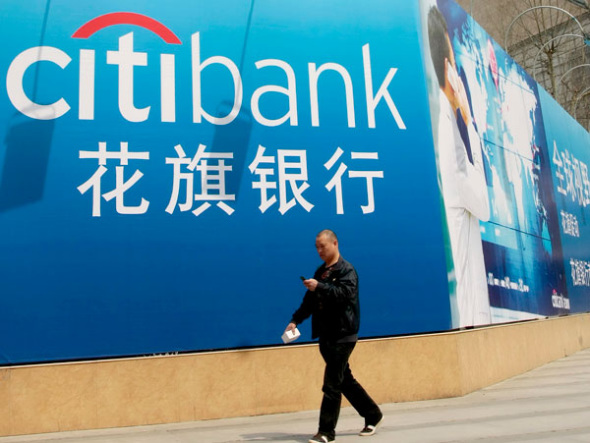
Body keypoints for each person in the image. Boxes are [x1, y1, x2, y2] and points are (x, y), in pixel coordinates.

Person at [285, 229, 382, 443]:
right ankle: (372, 414)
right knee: (344, 380)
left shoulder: (347, 270)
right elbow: (309, 301)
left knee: (331, 384)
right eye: (317, 247)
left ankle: (326, 432)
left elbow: (343, 294)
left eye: (323, 246)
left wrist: (320, 286)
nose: (319, 250)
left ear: (335, 243)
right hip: (326, 334)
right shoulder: (321, 272)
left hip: (344, 334)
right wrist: (295, 320)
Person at [427, 6, 491, 328]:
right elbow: (483, 204)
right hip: (471, 309)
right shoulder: (447, 128)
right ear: (447, 64)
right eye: (453, 60)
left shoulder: (445, 120)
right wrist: (471, 124)